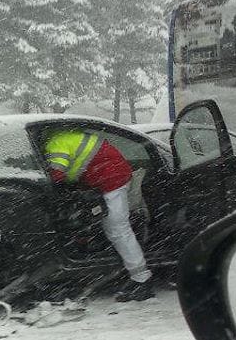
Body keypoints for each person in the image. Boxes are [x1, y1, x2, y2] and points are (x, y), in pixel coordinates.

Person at [44, 129, 154, 302]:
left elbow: (58, 176)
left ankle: (142, 280)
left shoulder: (56, 144)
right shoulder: (68, 137)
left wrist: (61, 187)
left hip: (110, 180)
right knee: (114, 228)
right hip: (113, 175)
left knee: (118, 230)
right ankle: (134, 275)